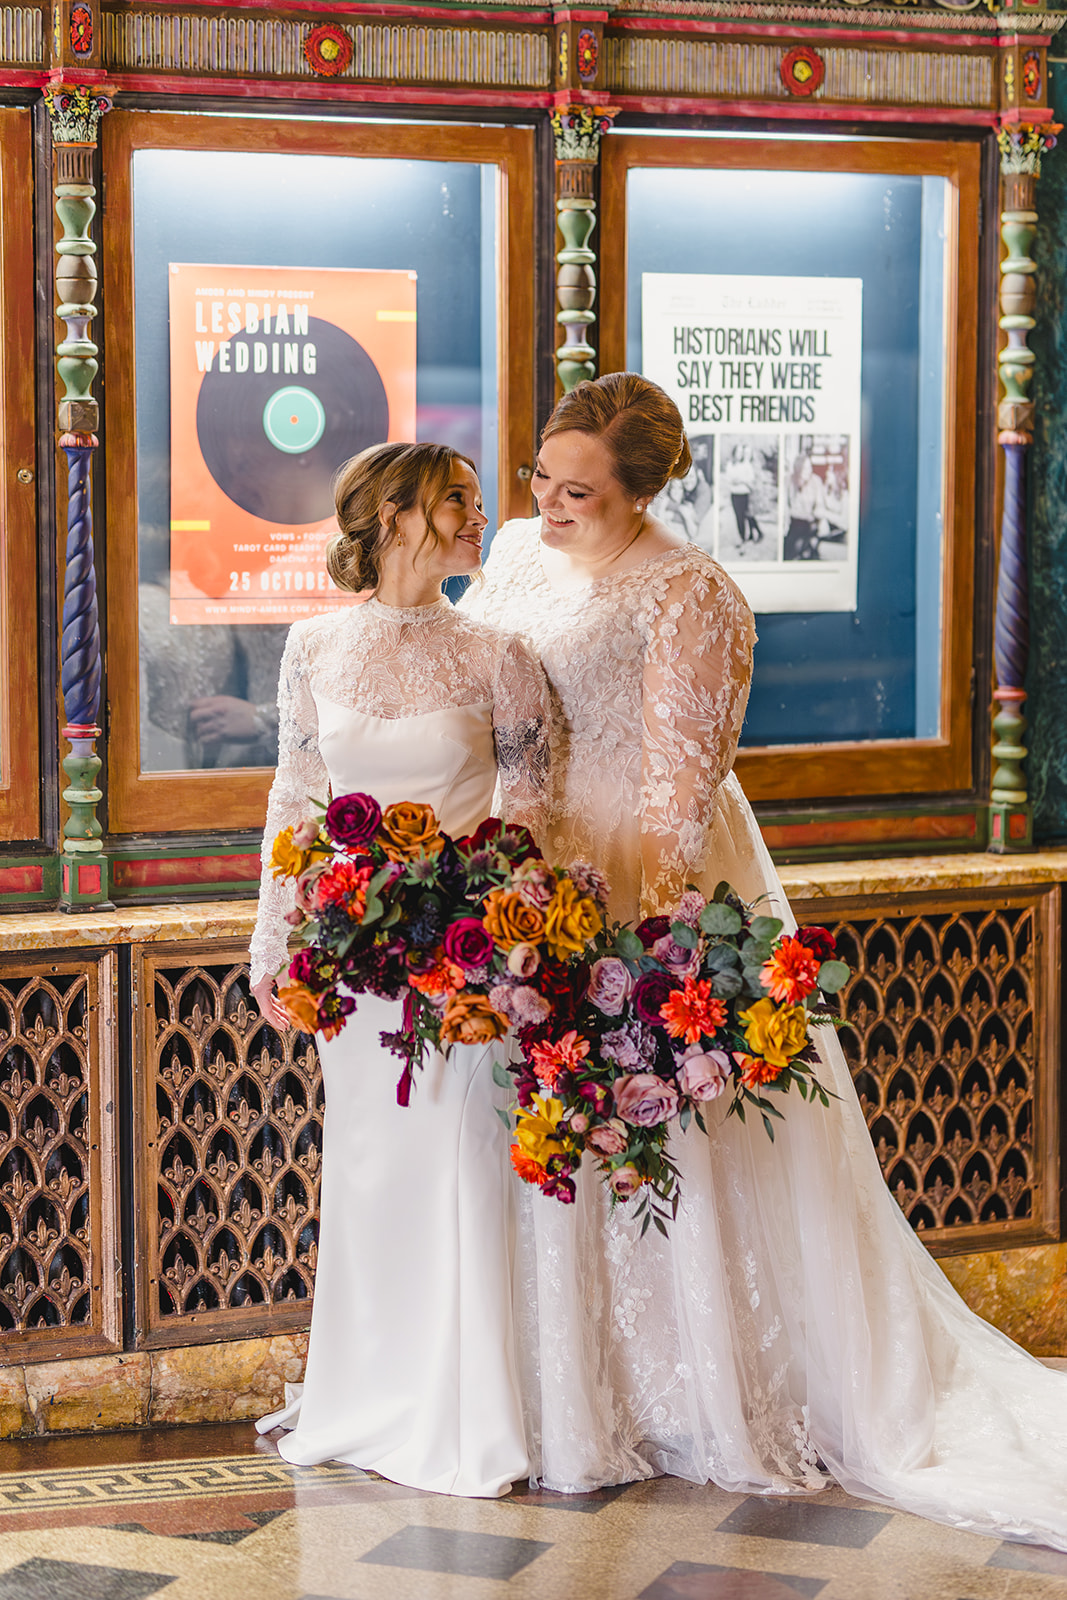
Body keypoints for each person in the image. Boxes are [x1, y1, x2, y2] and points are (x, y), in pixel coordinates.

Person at [460, 373, 1067, 1549]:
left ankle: (695, 1386)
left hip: (645, 871)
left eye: (575, 488)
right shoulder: (519, 556)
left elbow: (676, 795)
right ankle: (564, 1388)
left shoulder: (692, 594)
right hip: (532, 860)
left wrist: (644, 943)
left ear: (639, 492)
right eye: (538, 473)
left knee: (660, 1115)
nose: (545, 499)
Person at [249, 441, 552, 1498]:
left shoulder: (497, 654)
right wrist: (274, 938)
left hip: (462, 969)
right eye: (455, 501)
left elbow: (528, 816)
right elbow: (295, 802)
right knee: (370, 1172)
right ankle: (362, 1395)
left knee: (459, 1171)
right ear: (392, 516)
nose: (479, 516)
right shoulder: (311, 647)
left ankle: (460, 1414)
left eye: (477, 500)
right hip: (355, 966)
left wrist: (501, 943)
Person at [784, 449, 828, 561]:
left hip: (810, 524)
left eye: (810, 467)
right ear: (798, 469)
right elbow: (786, 506)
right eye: (806, 467)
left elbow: (820, 505)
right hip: (794, 523)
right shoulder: (790, 481)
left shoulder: (816, 481)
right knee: (789, 552)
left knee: (806, 552)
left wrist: (821, 520)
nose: (810, 470)